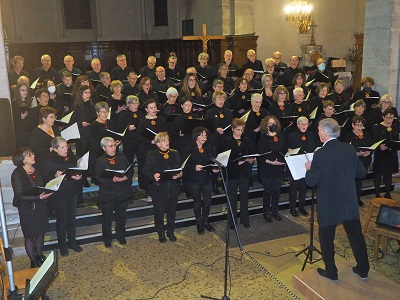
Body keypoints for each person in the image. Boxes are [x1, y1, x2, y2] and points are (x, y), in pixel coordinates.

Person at [305, 118, 369, 281]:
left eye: (319, 129)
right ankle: (363, 269)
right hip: (348, 202)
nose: (318, 132)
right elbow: (361, 173)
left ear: (325, 132)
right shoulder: (349, 149)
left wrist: (309, 169)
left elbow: (311, 181)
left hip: (329, 204)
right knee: (356, 236)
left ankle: (331, 272)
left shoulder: (320, 153)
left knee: (327, 239)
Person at [11, 148, 51, 268]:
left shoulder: (36, 169)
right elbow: (20, 195)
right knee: (29, 236)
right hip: (26, 208)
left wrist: (47, 191)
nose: (33, 155)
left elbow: (41, 185)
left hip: (40, 206)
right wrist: (38, 197)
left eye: (32, 153)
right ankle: (33, 260)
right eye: (29, 155)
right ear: (22, 160)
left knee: (40, 232)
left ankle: (39, 255)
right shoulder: (17, 173)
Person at [42, 137, 83, 256]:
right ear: (55, 149)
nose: (66, 149)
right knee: (62, 220)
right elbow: (45, 179)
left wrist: (79, 176)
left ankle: (72, 242)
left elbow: (77, 169)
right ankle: (62, 246)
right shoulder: (48, 160)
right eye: (62, 147)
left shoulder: (71, 156)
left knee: (72, 219)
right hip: (59, 195)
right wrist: (54, 175)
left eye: (66, 146)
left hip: (72, 191)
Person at [143, 132, 183, 243]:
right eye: (164, 140)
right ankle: (160, 232)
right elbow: (145, 171)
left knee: (172, 212)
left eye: (167, 140)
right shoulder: (152, 154)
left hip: (173, 188)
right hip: (159, 189)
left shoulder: (175, 153)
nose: (167, 142)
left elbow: (180, 168)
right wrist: (153, 175)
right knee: (159, 213)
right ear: (158, 144)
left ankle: (170, 231)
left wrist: (180, 174)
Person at [96, 137, 133, 248]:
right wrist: (112, 180)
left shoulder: (122, 157)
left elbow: (130, 170)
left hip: (122, 191)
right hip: (108, 194)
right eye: (110, 146)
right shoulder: (100, 161)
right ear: (104, 148)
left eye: (114, 145)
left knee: (121, 217)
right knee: (107, 218)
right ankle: (107, 239)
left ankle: (121, 236)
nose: (114, 148)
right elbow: (99, 178)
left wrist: (126, 177)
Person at [183, 127, 218, 234]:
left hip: (206, 178)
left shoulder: (208, 148)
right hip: (194, 179)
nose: (204, 138)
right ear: (196, 136)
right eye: (201, 135)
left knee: (207, 201)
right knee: (197, 202)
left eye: (205, 135)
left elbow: (211, 161)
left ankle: (205, 221)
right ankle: (199, 223)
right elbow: (184, 166)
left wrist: (214, 168)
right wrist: (194, 167)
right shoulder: (189, 148)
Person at [222, 118, 254, 228]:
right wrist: (236, 163)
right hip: (232, 172)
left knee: (244, 197)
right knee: (232, 198)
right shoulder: (226, 141)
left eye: (241, 130)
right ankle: (232, 222)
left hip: (244, 172)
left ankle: (245, 220)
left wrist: (251, 160)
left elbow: (250, 153)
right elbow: (224, 159)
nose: (240, 132)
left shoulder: (246, 140)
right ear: (232, 129)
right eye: (237, 130)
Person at [136, 99, 168, 203]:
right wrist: (151, 141)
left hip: (160, 148)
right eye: (151, 108)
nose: (154, 110)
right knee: (150, 171)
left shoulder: (161, 120)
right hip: (147, 149)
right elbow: (139, 136)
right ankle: (149, 193)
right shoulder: (142, 121)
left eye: (155, 107)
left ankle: (162, 191)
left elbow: (166, 133)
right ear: (146, 109)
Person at [257, 116, 286, 222]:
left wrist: (283, 160)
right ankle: (266, 212)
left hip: (278, 167)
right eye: (270, 124)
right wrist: (271, 162)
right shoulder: (263, 137)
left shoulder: (280, 135)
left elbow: (284, 150)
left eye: (274, 123)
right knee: (268, 191)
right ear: (266, 125)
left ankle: (275, 212)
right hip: (267, 167)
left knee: (277, 191)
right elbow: (260, 154)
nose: (272, 125)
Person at [287, 117, 315, 216]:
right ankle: (292, 208)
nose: (304, 126)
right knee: (294, 187)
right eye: (302, 124)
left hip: (306, 163)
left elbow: (312, 147)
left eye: (306, 124)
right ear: (298, 125)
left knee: (303, 187)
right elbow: (289, 149)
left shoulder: (310, 135)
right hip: (296, 164)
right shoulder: (292, 135)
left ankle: (301, 207)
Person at [344, 116, 373, 206]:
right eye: (357, 125)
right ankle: (349, 199)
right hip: (353, 161)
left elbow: (371, 145)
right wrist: (357, 154)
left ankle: (357, 198)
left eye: (361, 125)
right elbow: (346, 149)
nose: (359, 127)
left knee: (359, 181)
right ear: (353, 125)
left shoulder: (366, 134)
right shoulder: (349, 135)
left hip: (364, 160)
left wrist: (369, 152)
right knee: (352, 181)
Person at [371, 107, 399, 199]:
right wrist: (379, 146)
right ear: (383, 117)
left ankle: (388, 193)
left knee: (388, 174)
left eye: (392, 118)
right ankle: (377, 194)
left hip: (391, 154)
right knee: (378, 174)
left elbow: (396, 140)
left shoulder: (395, 127)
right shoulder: (377, 127)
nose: (390, 120)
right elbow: (374, 140)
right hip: (381, 154)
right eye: (388, 118)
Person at [117, 95, 144, 165]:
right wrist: (128, 128)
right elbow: (120, 129)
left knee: (142, 160)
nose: (136, 105)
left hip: (139, 140)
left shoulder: (140, 114)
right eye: (134, 103)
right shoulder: (123, 115)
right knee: (128, 161)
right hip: (129, 141)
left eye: (137, 103)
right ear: (128, 104)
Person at [12, 83, 33, 147]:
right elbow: (13, 120)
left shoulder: (30, 101)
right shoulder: (14, 103)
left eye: (26, 90)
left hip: (29, 129)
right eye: (22, 90)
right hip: (20, 131)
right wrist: (21, 118)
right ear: (18, 91)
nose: (25, 92)